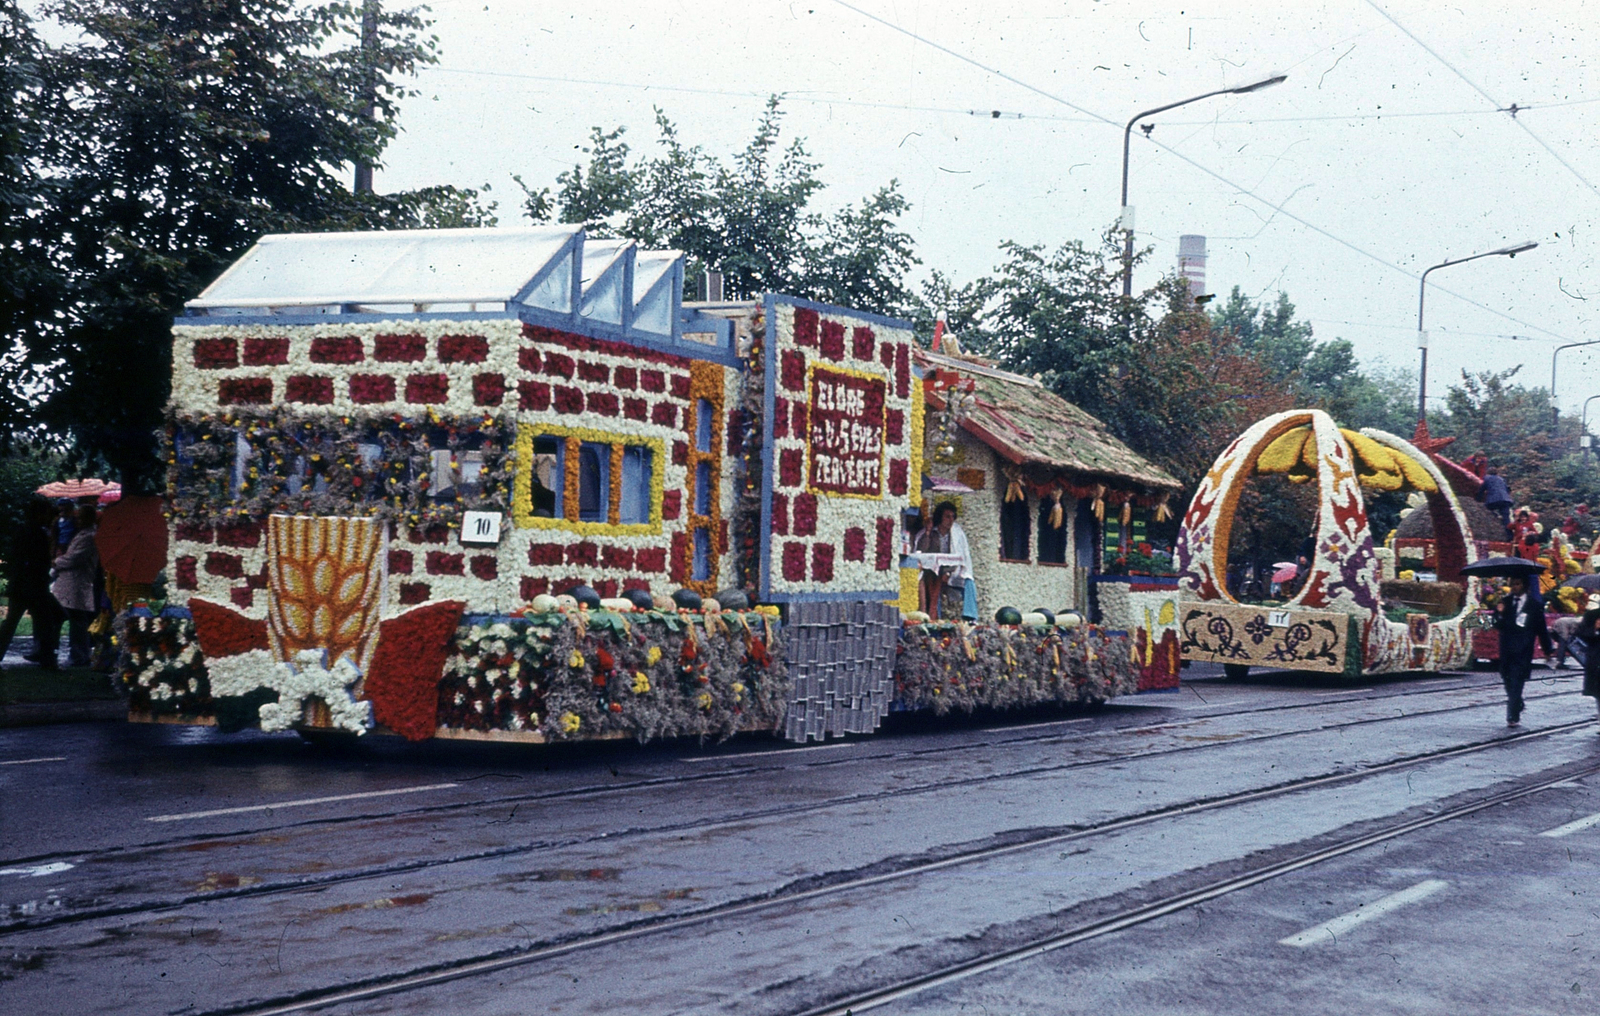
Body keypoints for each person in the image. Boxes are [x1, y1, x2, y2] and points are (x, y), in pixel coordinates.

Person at [0, 500, 63, 668]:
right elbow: (39, 561)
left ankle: (46, 658)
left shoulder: (23, 531)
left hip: (22, 585)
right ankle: (47, 659)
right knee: (47, 621)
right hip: (34, 586)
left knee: (12, 622)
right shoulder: (38, 534)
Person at [1496, 574, 1553, 728]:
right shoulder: (1505, 602)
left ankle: (1512, 716)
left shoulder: (1534, 605)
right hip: (1507, 650)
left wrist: (1548, 649)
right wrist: (1500, 614)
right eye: (1512, 584)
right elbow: (1497, 625)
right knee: (1507, 681)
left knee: (1516, 682)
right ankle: (1517, 702)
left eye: (1518, 583)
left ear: (1525, 586)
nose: (1515, 587)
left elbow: (1541, 629)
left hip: (1523, 651)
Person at [51, 503, 99, 668]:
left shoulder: (89, 536)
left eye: (80, 517)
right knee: (69, 618)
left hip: (76, 582)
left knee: (77, 620)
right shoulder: (83, 534)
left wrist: (56, 562)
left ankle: (79, 655)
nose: (77, 520)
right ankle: (69, 653)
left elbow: (74, 558)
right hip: (71, 583)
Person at [914, 501, 975, 621]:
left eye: (953, 517)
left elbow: (961, 558)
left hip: (950, 572)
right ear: (940, 517)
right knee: (931, 580)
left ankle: (970, 616)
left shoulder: (957, 533)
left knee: (969, 581)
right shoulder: (932, 532)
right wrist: (927, 532)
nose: (950, 520)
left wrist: (949, 574)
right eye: (947, 516)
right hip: (930, 571)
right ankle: (931, 615)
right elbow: (921, 551)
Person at [1577, 594, 1600, 725]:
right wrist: (1595, 630)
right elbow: (1581, 633)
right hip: (1596, 658)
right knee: (1598, 692)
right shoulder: (1592, 615)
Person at [1480, 467, 1513, 534]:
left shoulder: (1487, 478)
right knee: (1506, 518)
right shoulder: (1502, 479)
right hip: (1505, 500)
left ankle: (1496, 517)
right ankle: (1510, 536)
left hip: (1494, 500)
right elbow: (1508, 489)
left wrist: (1478, 498)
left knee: (1486, 509)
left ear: (1488, 473)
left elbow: (1482, 490)